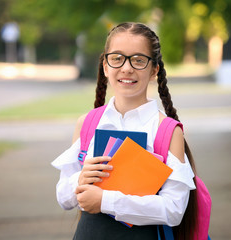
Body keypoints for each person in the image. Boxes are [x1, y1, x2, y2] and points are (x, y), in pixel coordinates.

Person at [52, 22, 197, 240]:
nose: (127, 68)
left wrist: (105, 200)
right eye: (117, 58)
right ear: (105, 66)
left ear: (154, 70)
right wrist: (80, 179)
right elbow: (64, 198)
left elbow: (174, 209)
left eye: (138, 60)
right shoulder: (88, 123)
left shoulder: (166, 131)